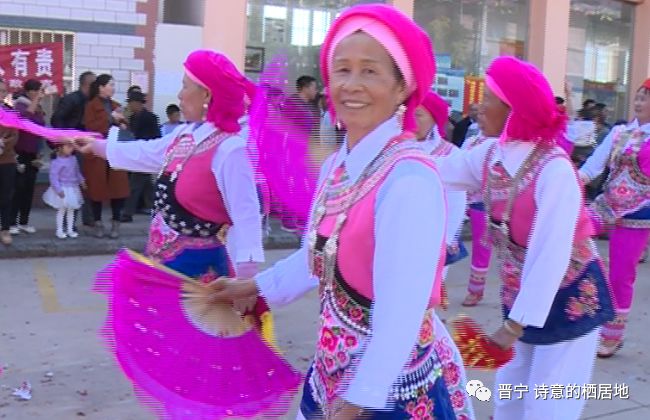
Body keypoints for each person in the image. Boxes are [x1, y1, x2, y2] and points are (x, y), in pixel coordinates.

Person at [206, 5, 471, 419]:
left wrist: (360, 400)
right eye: (342, 70)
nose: (351, 85)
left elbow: (401, 313)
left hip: (388, 390)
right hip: (333, 370)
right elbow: (321, 254)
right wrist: (257, 288)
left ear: (403, 87)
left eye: (370, 71)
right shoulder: (338, 166)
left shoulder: (409, 179)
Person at [435, 56, 614, 420]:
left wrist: (512, 328)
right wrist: (394, 162)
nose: (478, 105)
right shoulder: (490, 154)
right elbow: (439, 172)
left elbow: (551, 256)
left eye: (488, 97)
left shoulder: (555, 170)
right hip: (521, 298)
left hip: (569, 297)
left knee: (549, 404)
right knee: (510, 401)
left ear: (513, 108)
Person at [76, 48, 271, 341]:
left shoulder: (230, 149)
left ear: (206, 95)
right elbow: (147, 152)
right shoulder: (186, 136)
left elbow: (247, 216)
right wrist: (97, 147)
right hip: (166, 267)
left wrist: (245, 280)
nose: (179, 95)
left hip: (202, 276)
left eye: (185, 86)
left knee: (198, 356)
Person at [578, 78, 650, 358]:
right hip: (606, 204)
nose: (639, 102)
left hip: (638, 212)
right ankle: (577, 307)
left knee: (621, 273)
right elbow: (595, 163)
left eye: (646, 98)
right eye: (638, 96)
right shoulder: (620, 132)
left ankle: (612, 335)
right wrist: (575, 179)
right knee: (571, 238)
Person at [415, 91, 468, 284]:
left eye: (418, 115)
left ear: (434, 119)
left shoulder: (450, 155)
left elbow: (456, 205)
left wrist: (443, 246)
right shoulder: (396, 147)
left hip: (434, 241)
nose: (412, 121)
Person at [82, 74, 130, 239]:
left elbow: (124, 126)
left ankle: (116, 223)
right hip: (98, 152)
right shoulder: (91, 106)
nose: (113, 87)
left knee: (118, 188)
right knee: (97, 189)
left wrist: (122, 123)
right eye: (110, 84)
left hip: (115, 151)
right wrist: (110, 119)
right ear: (101, 87)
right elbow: (91, 127)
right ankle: (98, 223)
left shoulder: (116, 105)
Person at [51, 71, 96, 230]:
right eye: (94, 84)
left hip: (86, 145)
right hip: (72, 146)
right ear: (86, 84)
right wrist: (66, 140)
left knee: (84, 182)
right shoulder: (71, 99)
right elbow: (56, 119)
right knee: (71, 184)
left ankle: (86, 218)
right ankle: (67, 223)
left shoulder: (92, 101)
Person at [459, 116, 494, 306]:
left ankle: (476, 290)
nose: (483, 118)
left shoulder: (502, 143)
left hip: (492, 202)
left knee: (484, 247)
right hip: (469, 200)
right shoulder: (472, 141)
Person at [10, 79, 46, 235]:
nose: (40, 94)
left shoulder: (37, 107)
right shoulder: (20, 104)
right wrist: (36, 100)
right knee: (18, 188)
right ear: (30, 91)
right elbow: (25, 119)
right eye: (37, 91)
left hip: (33, 153)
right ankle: (11, 222)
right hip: (20, 152)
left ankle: (24, 222)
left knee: (29, 189)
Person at [120, 90, 160, 223]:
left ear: (138, 103)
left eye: (131, 103)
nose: (130, 106)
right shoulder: (132, 118)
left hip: (146, 154)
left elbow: (156, 136)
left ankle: (127, 213)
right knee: (147, 186)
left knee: (135, 185)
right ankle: (158, 209)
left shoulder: (150, 117)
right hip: (136, 154)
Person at [42, 142, 86, 239]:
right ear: (60, 148)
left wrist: (82, 181)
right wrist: (58, 190)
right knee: (61, 210)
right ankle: (59, 230)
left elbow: (77, 172)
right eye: (68, 147)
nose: (71, 149)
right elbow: (53, 177)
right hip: (63, 188)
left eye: (72, 147)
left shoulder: (73, 159)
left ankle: (70, 230)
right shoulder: (56, 161)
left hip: (73, 188)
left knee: (71, 210)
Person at [0, 79, 18, 245]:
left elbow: (15, 135)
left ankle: (5, 229)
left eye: (4, 91)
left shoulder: (9, 112)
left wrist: (3, 143)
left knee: (6, 196)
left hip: (6, 160)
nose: (2, 94)